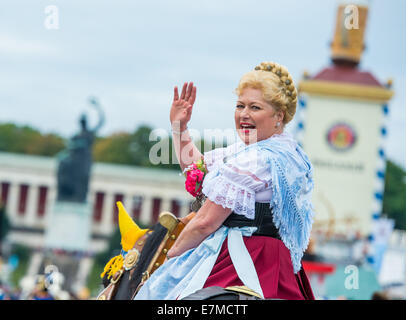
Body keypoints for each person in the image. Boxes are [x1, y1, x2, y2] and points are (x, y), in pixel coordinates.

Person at [134, 61, 315, 300]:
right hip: (282, 268)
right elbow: (197, 171)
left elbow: (204, 223)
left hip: (246, 261)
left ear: (278, 116)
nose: (244, 114)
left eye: (255, 107)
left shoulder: (256, 159)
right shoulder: (285, 153)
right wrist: (180, 128)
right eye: (240, 105)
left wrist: (167, 261)